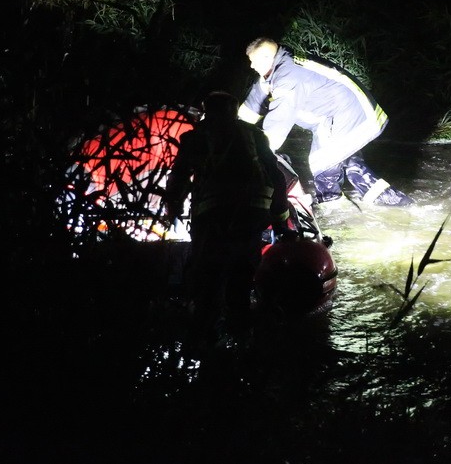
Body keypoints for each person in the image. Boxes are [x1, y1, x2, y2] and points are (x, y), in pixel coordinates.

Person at [163, 91, 292, 347]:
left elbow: (178, 178)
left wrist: (172, 211)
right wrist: (281, 222)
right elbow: (277, 178)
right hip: (252, 214)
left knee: (208, 274)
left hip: (212, 216)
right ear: (235, 111)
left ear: (205, 111)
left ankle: (206, 341)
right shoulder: (255, 135)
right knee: (242, 273)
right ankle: (242, 338)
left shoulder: (194, 137)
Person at [238, 37, 412, 208]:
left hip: (346, 114)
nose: (252, 66)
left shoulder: (288, 75)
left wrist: (260, 154)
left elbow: (278, 124)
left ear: (268, 58)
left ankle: (335, 212)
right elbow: (252, 106)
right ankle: (396, 204)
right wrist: (232, 128)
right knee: (348, 162)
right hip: (338, 116)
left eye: (254, 61)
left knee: (323, 166)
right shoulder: (276, 69)